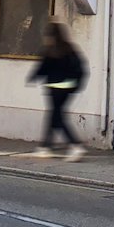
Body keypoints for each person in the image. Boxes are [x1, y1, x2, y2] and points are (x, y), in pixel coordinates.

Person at [28, 20, 87, 161]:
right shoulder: (70, 49)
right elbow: (80, 69)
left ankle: (75, 144)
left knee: (57, 117)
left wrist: (32, 78)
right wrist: (77, 85)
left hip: (55, 88)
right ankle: (46, 146)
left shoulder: (50, 51)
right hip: (68, 88)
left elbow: (42, 68)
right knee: (54, 115)